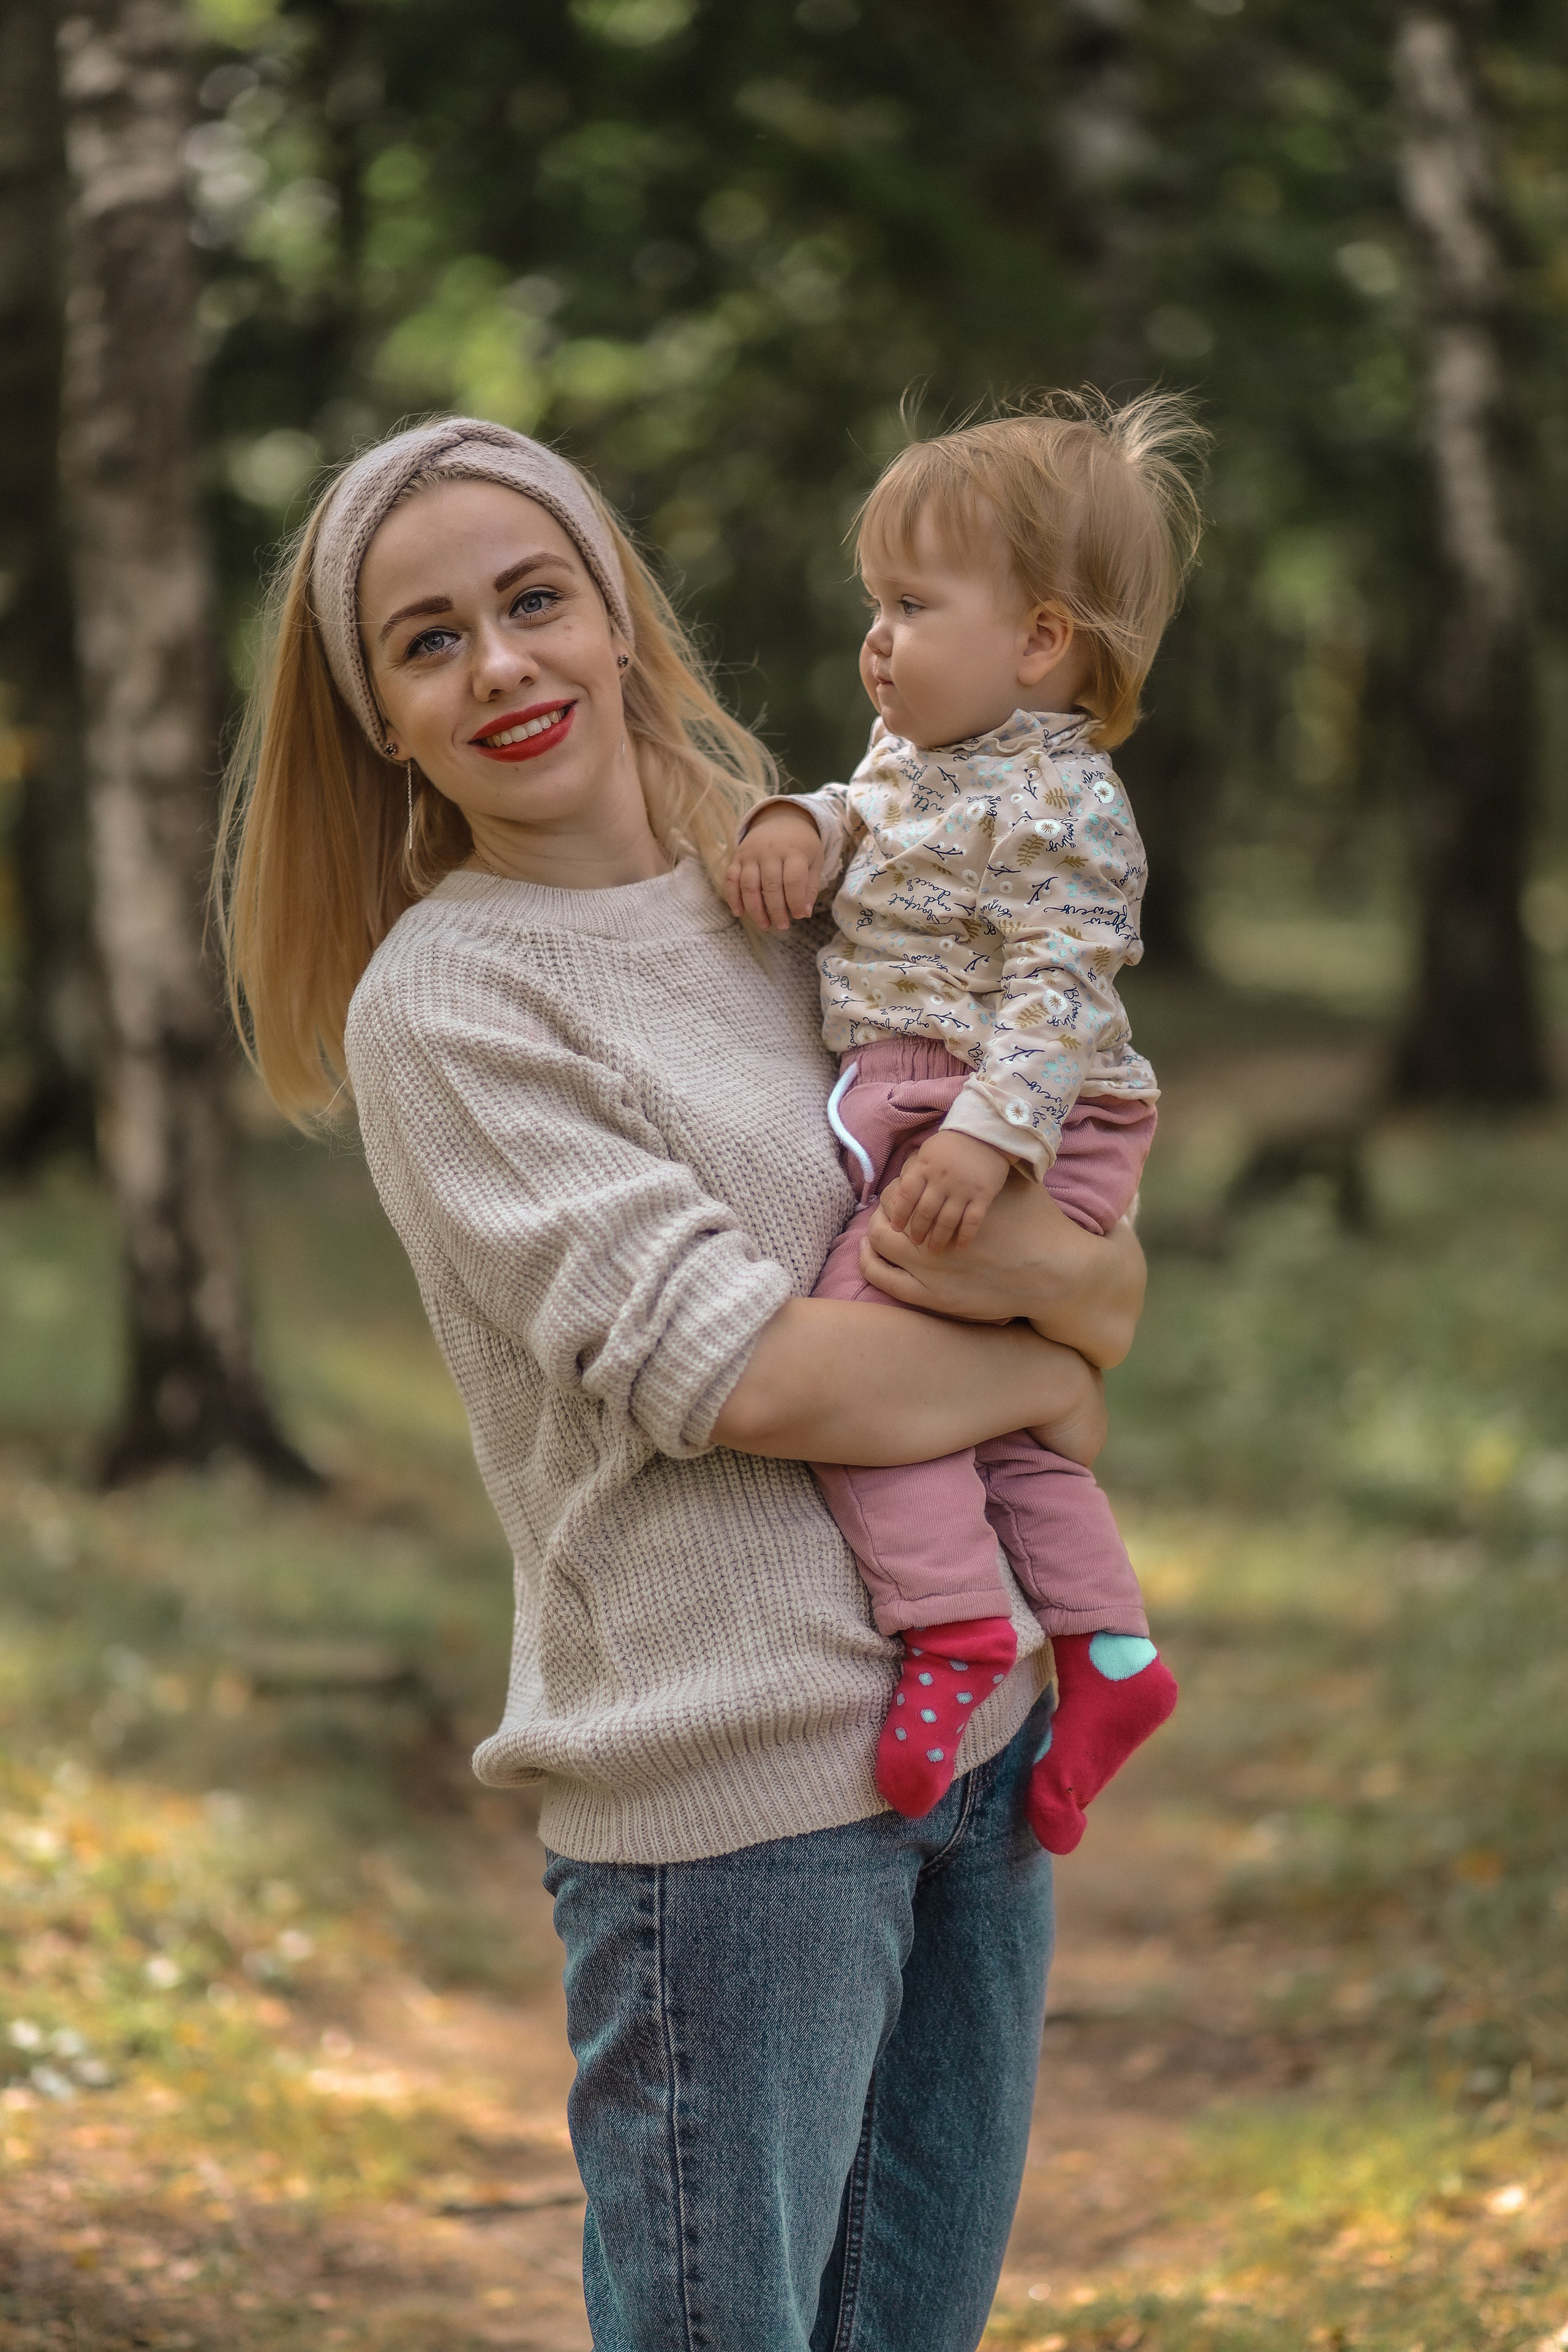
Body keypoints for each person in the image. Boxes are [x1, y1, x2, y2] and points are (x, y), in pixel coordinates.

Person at [217, 414, 1146, 2350]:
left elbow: (1091, 1265)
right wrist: (1044, 1380)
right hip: (735, 1820)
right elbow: (763, 1378)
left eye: (534, 600)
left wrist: (1067, 1322)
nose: (503, 666)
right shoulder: (454, 1006)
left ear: (615, 617)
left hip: (973, 1756)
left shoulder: (797, 892)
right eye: (430, 639)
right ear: (384, 717)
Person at [728, 395, 1200, 1849]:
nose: (874, 637)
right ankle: (1108, 1650)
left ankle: (949, 1630)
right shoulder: (913, 763)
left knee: (872, 1370)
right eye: (872, 603)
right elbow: (868, 816)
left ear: (1038, 640)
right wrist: (800, 821)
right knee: (1004, 1431)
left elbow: (1064, 987)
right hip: (942, 1098)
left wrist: (991, 1136)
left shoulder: (1069, 801)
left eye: (910, 604)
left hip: (1002, 1109)